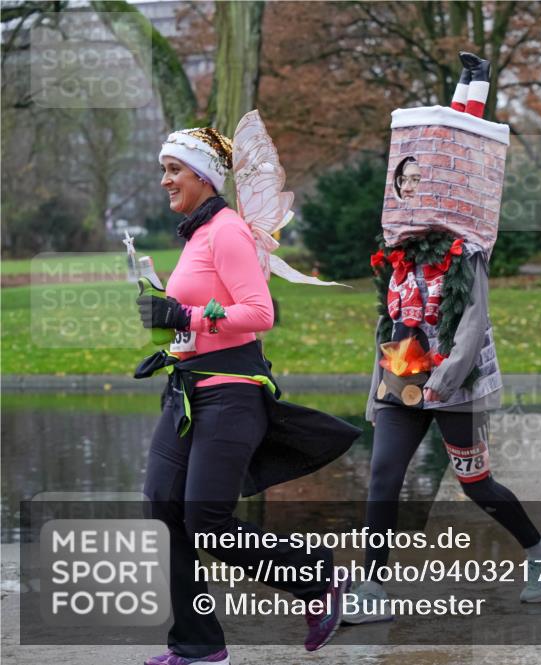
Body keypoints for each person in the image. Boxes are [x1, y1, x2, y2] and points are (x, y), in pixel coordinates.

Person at [345, 52, 541, 624]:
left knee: (476, 483)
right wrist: (382, 387)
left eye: (422, 180)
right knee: (383, 478)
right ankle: (372, 588)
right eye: (406, 179)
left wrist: (441, 383)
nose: (413, 185)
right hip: (403, 373)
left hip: (455, 383)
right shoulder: (397, 248)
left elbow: (472, 324)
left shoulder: (466, 249)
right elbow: (389, 321)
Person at [137, 123, 361, 665]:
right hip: (187, 391)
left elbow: (260, 313)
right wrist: (166, 315)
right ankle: (197, 645)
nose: (165, 180)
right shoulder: (197, 234)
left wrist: (185, 315)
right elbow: (201, 309)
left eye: (175, 169)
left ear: (205, 177)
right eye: (164, 169)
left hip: (230, 394)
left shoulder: (227, 231)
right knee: (162, 506)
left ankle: (316, 577)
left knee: (206, 520)